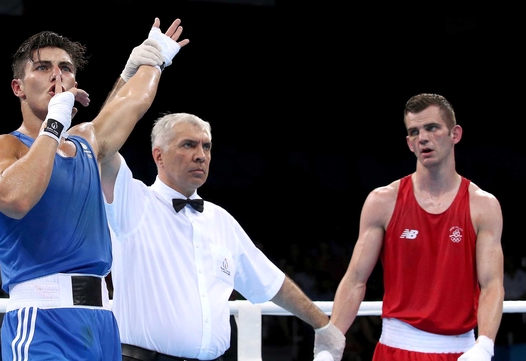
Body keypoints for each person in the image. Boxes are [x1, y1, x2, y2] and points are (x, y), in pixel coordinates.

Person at [0, 18, 188, 360]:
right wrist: (55, 122)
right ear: (18, 88)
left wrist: (153, 58)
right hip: (42, 320)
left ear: (74, 82)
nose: (56, 76)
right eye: (42, 68)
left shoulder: (87, 144)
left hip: (100, 321)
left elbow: (131, 103)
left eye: (65, 68)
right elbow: (17, 198)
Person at [100, 112, 346, 361]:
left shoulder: (221, 221)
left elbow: (272, 283)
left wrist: (323, 326)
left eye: (206, 146)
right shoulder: (132, 202)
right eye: (189, 144)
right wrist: (132, 78)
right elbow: (102, 143)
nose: (201, 155)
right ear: (158, 155)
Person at [329, 93, 505, 361]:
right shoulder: (383, 201)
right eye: (414, 132)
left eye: (432, 128)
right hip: (395, 350)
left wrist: (485, 345)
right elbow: (355, 280)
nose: (423, 137)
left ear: (455, 134)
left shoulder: (483, 206)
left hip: (462, 351)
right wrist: (330, 345)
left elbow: (492, 284)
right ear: (409, 143)